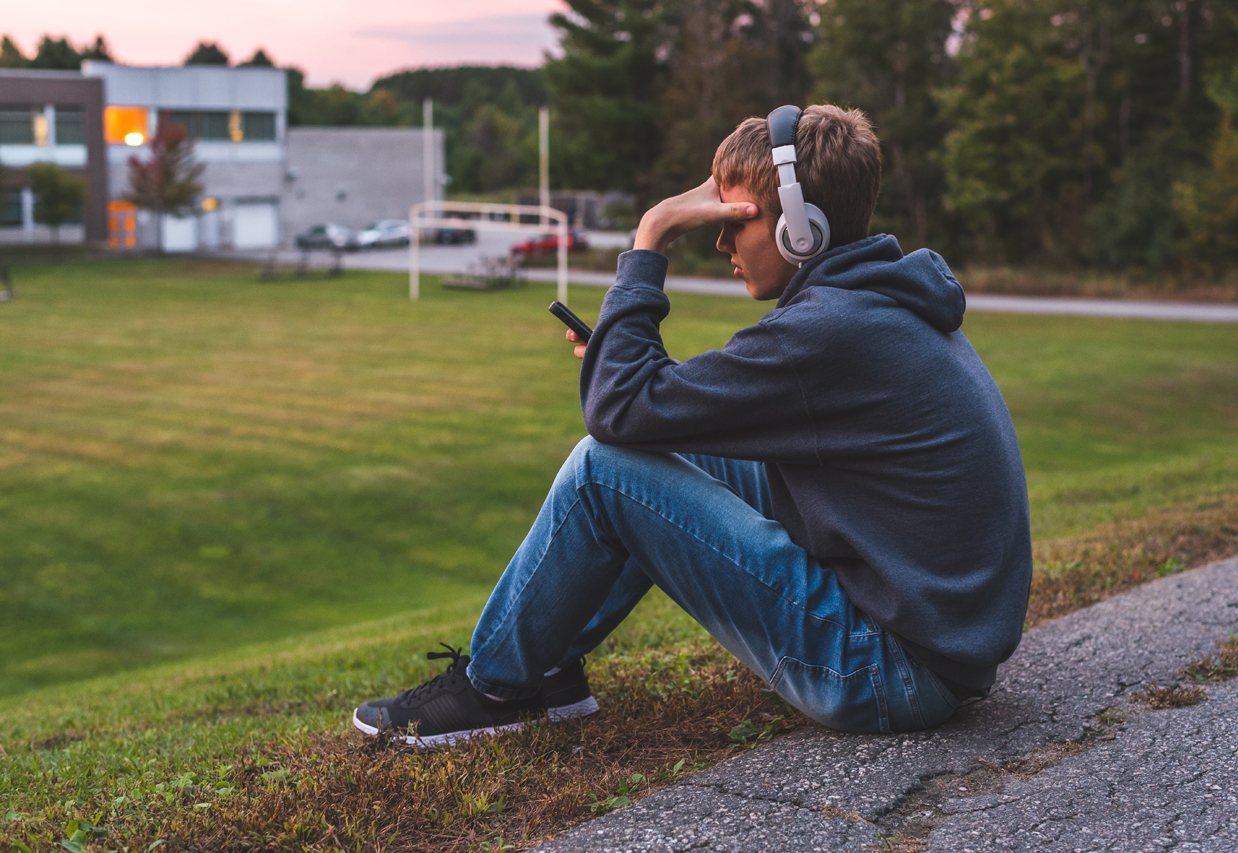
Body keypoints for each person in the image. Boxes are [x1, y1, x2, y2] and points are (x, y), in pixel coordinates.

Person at [352, 104, 1032, 748]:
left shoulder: (827, 330)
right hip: (939, 647)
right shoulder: (873, 303)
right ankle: (549, 664)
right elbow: (656, 410)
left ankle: (495, 690)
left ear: (800, 228)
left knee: (602, 468)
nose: (718, 239)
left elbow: (618, 414)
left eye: (736, 220)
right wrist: (634, 378)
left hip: (888, 672)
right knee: (654, 440)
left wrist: (651, 234)